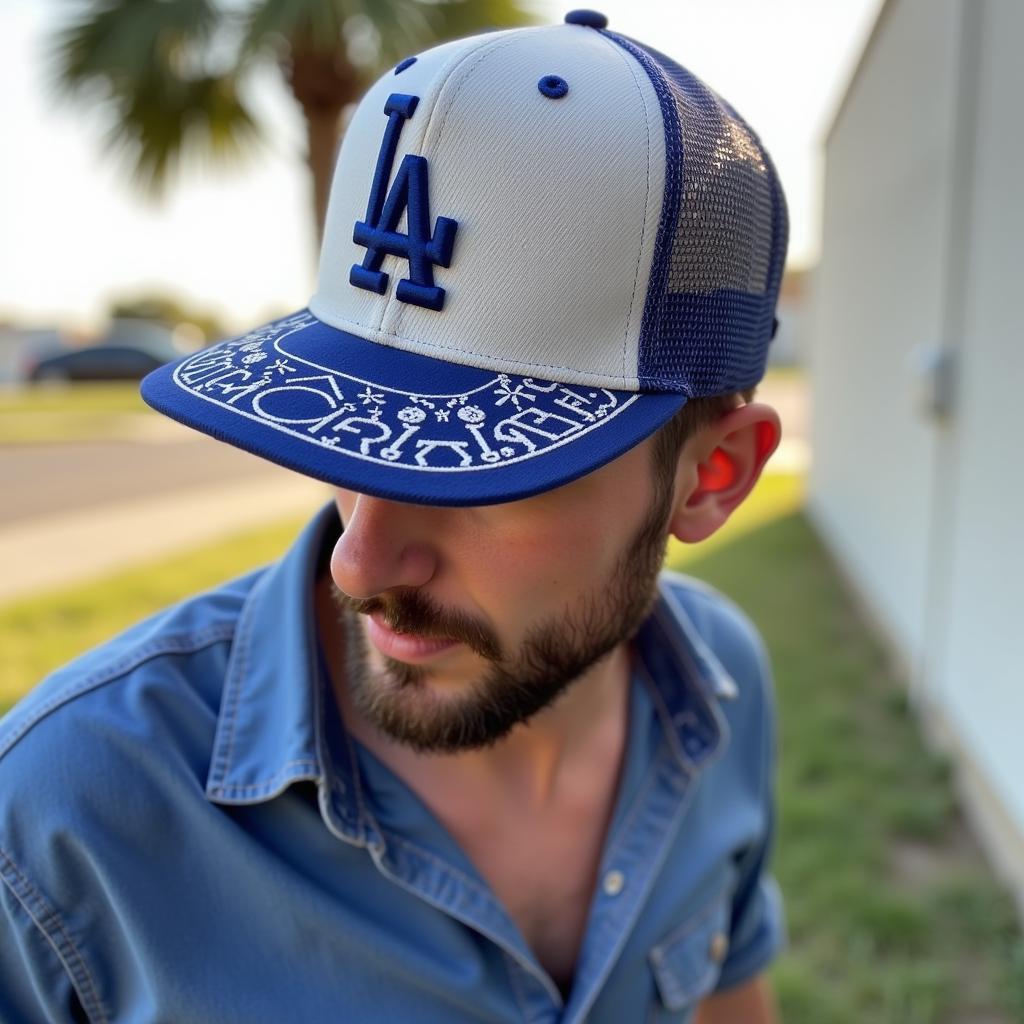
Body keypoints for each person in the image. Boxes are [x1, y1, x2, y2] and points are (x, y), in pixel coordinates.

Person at [0, 9, 789, 1022]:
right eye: (347, 443)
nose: (359, 561)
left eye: (481, 474)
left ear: (712, 474)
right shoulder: (61, 817)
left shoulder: (720, 692)